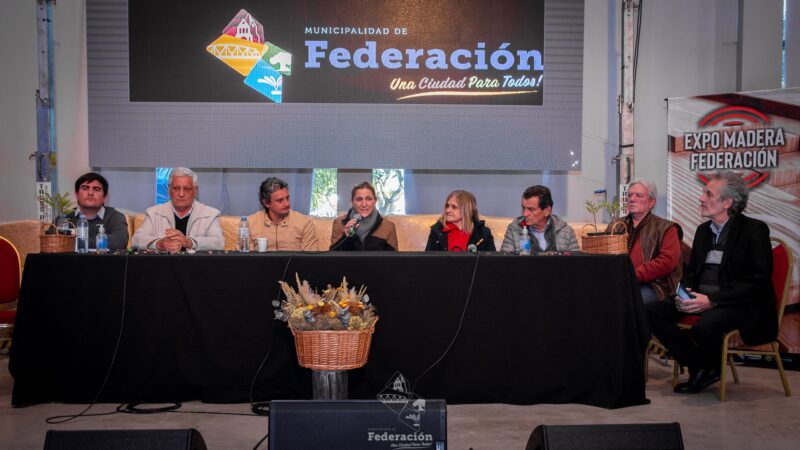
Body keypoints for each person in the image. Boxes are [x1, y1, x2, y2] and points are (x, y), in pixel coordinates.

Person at [646, 171, 777, 394]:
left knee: (706, 326)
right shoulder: (703, 231)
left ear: (728, 202)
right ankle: (701, 365)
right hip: (699, 298)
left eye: (708, 194)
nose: (701, 198)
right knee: (649, 312)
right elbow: (691, 273)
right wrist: (685, 293)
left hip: (736, 303)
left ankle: (704, 369)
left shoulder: (754, 231)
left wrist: (712, 300)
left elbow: (757, 281)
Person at [606, 180, 682, 303]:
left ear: (652, 202)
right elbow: (603, 254)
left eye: (639, 195)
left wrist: (634, 275)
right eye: (629, 195)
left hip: (653, 286)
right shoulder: (615, 225)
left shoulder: (666, 228)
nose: (632, 199)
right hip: (618, 282)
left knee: (628, 300)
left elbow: (667, 262)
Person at [132, 167, 224, 251]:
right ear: (169, 190)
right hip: (163, 263)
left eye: (186, 189)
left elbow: (219, 243)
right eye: (176, 188)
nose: (181, 194)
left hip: (196, 263)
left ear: (195, 190)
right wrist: (159, 244)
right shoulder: (153, 213)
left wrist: (189, 242)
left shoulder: (210, 214)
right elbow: (137, 240)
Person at [500, 185, 579, 253]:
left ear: (547, 211)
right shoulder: (513, 230)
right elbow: (505, 262)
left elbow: (577, 263)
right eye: (523, 208)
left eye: (531, 209)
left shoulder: (566, 231)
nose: (525, 214)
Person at [248, 177, 319, 251]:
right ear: (266, 203)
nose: (287, 204)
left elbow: (311, 256)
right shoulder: (249, 223)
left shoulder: (304, 222)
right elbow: (244, 256)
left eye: (287, 198)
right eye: (280, 200)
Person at [66, 172, 129, 250]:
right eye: (85, 188)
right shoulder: (65, 218)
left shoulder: (115, 216)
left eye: (96, 189)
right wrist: (101, 240)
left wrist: (76, 241)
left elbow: (120, 241)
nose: (90, 193)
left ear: (105, 197)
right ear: (77, 195)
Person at [330, 181, 398, 251]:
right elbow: (332, 256)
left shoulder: (388, 226)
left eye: (369, 199)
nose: (364, 204)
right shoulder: (339, 224)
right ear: (352, 202)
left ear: (375, 201)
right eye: (359, 199)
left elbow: (394, 257)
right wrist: (347, 237)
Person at [425, 190, 496, 252]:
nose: (447, 210)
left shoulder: (483, 233)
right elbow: (428, 260)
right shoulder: (437, 231)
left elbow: (492, 261)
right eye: (447, 206)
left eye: (454, 207)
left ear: (467, 210)